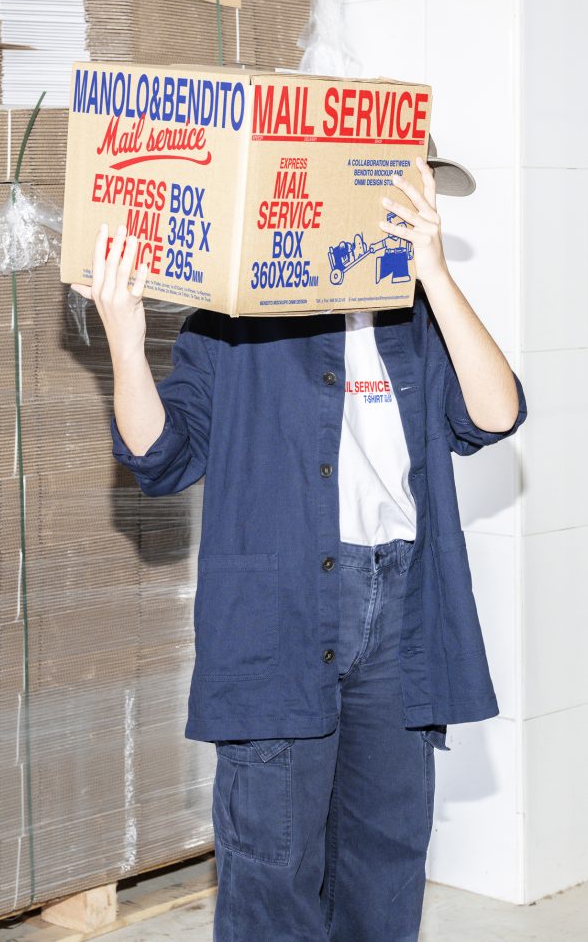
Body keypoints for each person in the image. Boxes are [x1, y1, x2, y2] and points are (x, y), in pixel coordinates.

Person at [71, 151, 527, 942]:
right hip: (279, 615)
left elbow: (493, 414)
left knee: (385, 851)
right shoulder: (232, 324)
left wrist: (437, 275)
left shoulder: (418, 316)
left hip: (401, 608)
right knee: (272, 861)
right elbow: (160, 456)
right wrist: (123, 333)